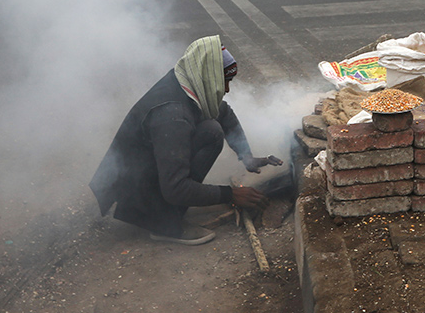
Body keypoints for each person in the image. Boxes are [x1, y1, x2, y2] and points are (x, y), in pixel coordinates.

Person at [89, 36, 281, 245]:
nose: (226, 89)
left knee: (211, 129)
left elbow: (224, 113)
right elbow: (176, 187)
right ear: (209, 75)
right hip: (134, 190)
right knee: (211, 134)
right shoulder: (173, 116)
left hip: (147, 170)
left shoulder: (187, 80)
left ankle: (162, 211)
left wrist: (246, 156)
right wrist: (231, 194)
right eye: (225, 81)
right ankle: (162, 223)